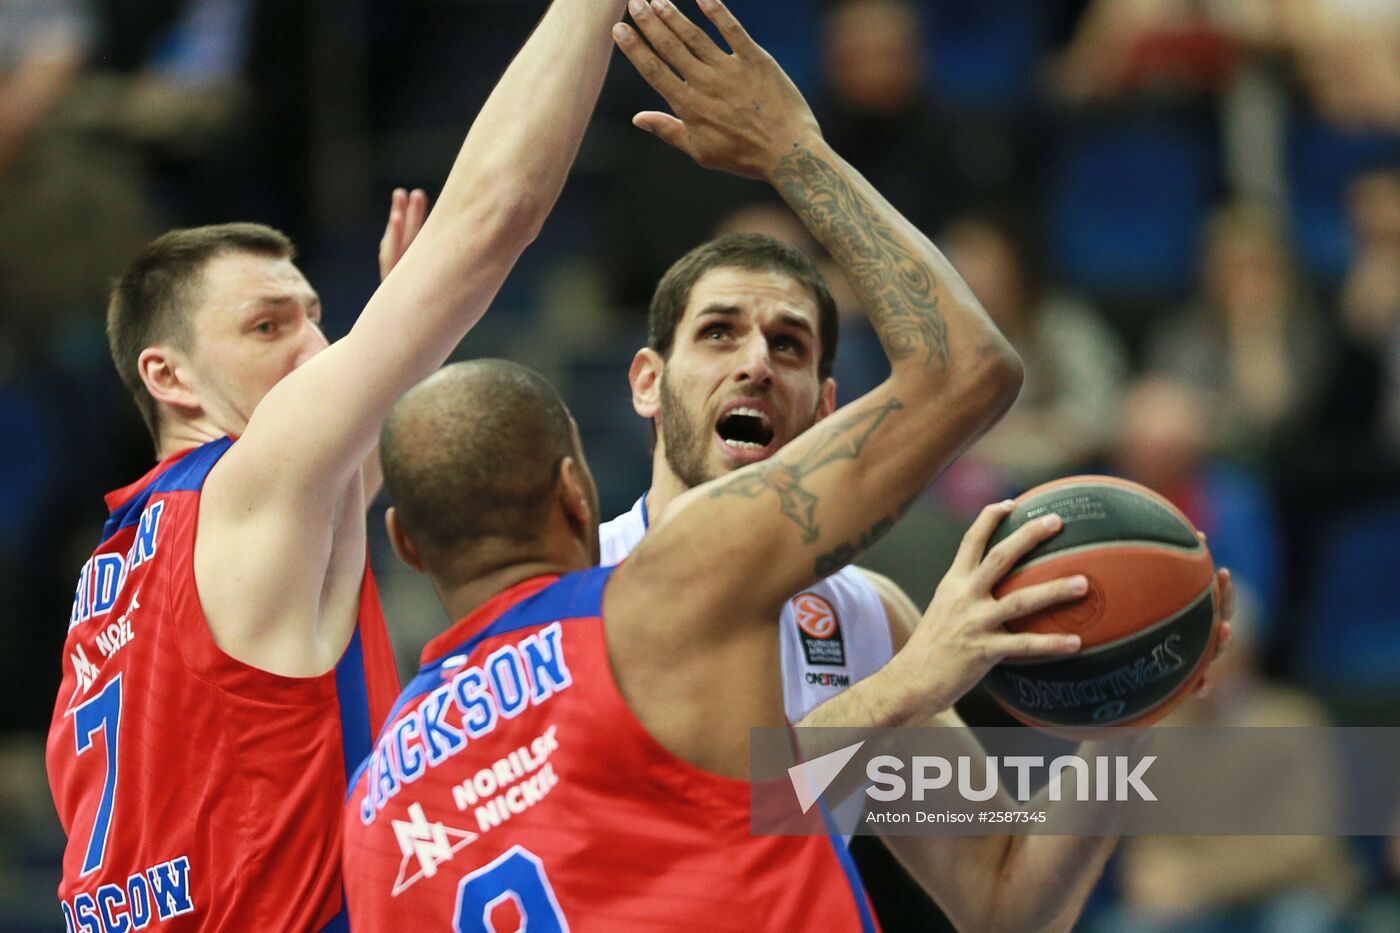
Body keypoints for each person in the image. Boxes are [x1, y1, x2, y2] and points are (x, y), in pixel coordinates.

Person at [343, 2, 1231, 929]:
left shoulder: (862, 620)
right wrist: (910, 683)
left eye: (790, 344)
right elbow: (683, 803)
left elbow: (1002, 901)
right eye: (719, 332)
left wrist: (1131, 705)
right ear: (646, 382)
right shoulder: (578, 583)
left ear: (830, 409)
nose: (756, 360)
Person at [44, 0, 624, 926]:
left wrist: (403, 343)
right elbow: (494, 214)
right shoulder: (251, 487)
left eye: (319, 316)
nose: (316, 350)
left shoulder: (113, 573)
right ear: (170, 376)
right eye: (269, 325)